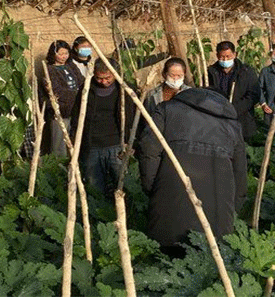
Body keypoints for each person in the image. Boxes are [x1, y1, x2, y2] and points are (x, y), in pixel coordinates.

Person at [138, 87, 247, 255]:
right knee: (210, 261)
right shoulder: (232, 125)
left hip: (170, 194)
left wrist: (153, 186)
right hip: (218, 203)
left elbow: (148, 149)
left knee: (165, 260)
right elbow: (240, 171)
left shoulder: (167, 110)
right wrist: (234, 206)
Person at [70, 58, 134, 198]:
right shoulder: (86, 89)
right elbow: (76, 116)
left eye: (107, 78)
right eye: (99, 78)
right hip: (92, 145)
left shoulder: (124, 89)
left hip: (116, 144)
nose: (103, 82)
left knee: (123, 185)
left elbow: (133, 118)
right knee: (94, 187)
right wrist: (74, 138)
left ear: (115, 74)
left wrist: (130, 141)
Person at [207, 41, 260, 141]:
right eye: (222, 57)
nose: (225, 59)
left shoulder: (246, 72)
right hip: (218, 119)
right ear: (217, 55)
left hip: (242, 121)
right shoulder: (211, 72)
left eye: (228, 56)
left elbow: (254, 95)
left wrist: (233, 110)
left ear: (235, 55)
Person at [41, 40, 84, 156]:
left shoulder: (71, 65)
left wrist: (81, 93)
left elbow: (81, 81)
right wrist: (77, 94)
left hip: (76, 109)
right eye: (60, 54)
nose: (64, 56)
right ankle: (58, 168)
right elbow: (56, 90)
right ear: (53, 54)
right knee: (59, 144)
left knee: (74, 140)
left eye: (66, 53)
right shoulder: (49, 70)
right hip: (61, 111)